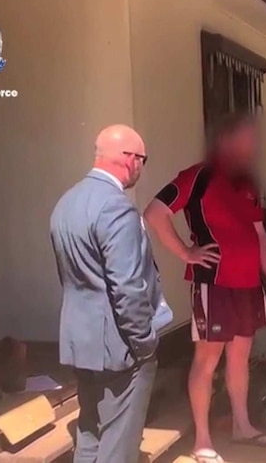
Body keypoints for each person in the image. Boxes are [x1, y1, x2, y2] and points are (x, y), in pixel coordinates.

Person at [143, 113, 266, 463]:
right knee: (207, 361)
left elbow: (260, 235)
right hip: (214, 284)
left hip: (249, 285)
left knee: (240, 358)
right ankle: (202, 441)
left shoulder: (247, 181)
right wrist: (186, 253)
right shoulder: (197, 176)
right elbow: (154, 214)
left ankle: (242, 425)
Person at [50, 124, 172, 462]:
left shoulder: (66, 203)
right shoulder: (117, 207)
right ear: (131, 160)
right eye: (143, 160)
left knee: (90, 432)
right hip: (120, 346)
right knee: (119, 443)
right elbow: (127, 286)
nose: (141, 168)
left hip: (81, 340)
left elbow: (74, 275)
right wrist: (145, 342)